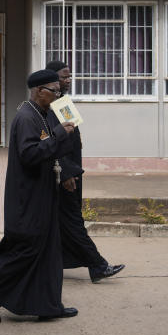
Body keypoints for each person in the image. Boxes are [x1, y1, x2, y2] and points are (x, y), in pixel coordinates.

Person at [0, 69, 78, 322]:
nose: (59, 95)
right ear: (39, 91)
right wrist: (60, 134)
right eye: (54, 90)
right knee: (23, 250)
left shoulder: (45, 114)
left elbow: (53, 149)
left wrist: (65, 144)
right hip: (27, 198)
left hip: (43, 193)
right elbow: (29, 155)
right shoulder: (27, 117)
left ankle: (48, 305)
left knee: (48, 251)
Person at [45, 60, 124, 282]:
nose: (68, 80)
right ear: (52, 79)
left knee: (65, 220)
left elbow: (73, 139)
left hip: (74, 170)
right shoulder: (50, 105)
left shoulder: (64, 102)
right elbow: (53, 142)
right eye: (64, 76)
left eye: (70, 76)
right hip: (65, 174)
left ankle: (53, 262)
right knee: (73, 220)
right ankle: (98, 266)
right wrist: (67, 172)